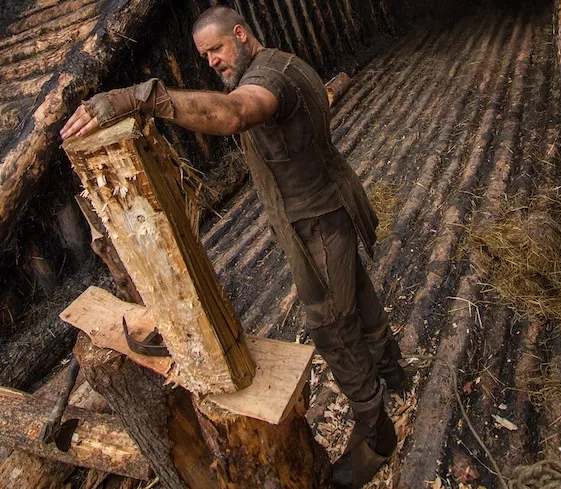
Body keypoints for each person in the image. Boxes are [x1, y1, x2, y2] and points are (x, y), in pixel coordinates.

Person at [61, 6, 408, 488]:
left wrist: (142, 97)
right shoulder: (285, 62)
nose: (211, 62)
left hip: (316, 221)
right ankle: (394, 374)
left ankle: (376, 433)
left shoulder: (268, 81)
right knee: (359, 296)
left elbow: (233, 114)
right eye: (204, 56)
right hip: (331, 202)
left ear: (241, 34)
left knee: (331, 324)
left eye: (217, 49)